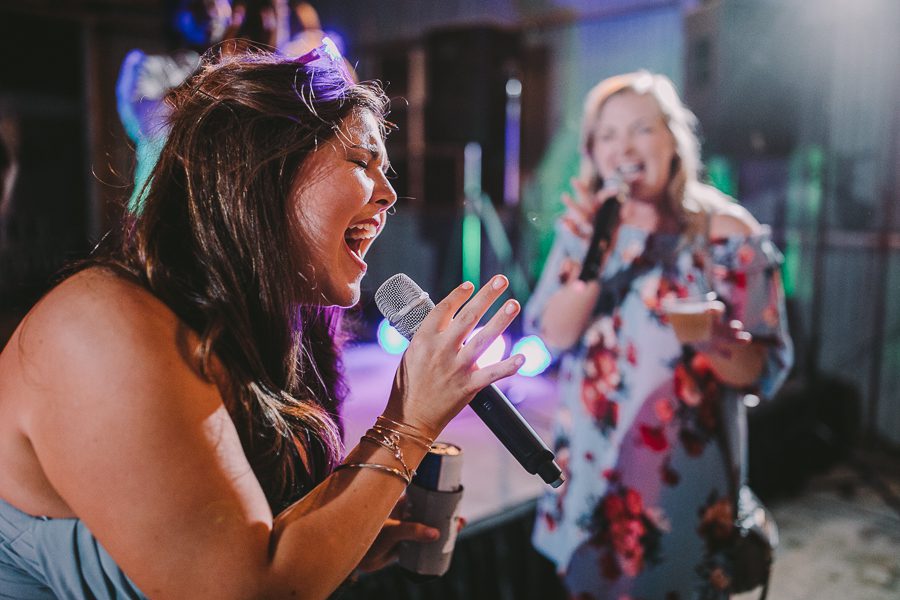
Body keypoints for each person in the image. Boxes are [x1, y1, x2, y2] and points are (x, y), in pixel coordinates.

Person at [0, 44, 524, 598]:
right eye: (361, 161)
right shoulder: (104, 327)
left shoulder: (275, 323)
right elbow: (250, 589)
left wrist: (340, 536)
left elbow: (244, 540)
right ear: (260, 169)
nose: (390, 195)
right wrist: (408, 423)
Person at [526, 71, 793, 599]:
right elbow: (553, 335)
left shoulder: (728, 232)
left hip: (681, 477)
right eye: (607, 134)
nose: (624, 147)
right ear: (592, 151)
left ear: (674, 140)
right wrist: (595, 257)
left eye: (641, 129)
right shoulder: (587, 226)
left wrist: (714, 341)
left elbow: (762, 371)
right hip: (591, 467)